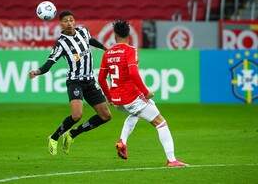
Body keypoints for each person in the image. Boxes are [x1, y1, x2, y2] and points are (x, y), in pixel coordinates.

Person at [98, 20, 187, 167]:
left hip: (117, 100)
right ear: (128, 34)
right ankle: (172, 160)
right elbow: (133, 72)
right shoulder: (130, 50)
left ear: (114, 35)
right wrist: (145, 92)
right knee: (161, 123)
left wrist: (109, 97)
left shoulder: (107, 53)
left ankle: (122, 142)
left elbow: (101, 79)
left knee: (135, 114)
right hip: (131, 98)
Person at [29, 10, 111, 155]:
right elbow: (50, 62)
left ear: (74, 21)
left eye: (71, 20)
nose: (69, 23)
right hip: (75, 82)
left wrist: (105, 48)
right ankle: (54, 137)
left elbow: (90, 40)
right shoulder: (61, 43)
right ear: (60, 23)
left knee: (106, 116)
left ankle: (73, 134)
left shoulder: (83, 31)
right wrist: (37, 72)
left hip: (90, 81)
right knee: (77, 115)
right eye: (66, 21)